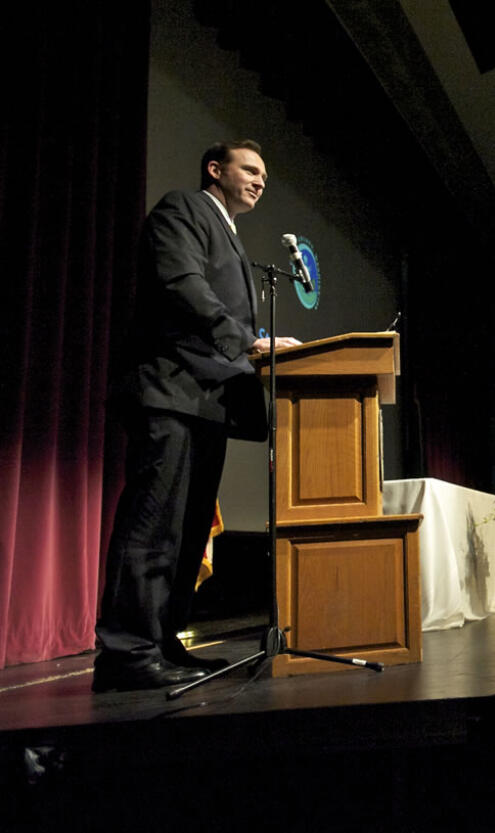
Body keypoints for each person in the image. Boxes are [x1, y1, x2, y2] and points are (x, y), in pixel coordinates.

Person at [93, 140, 300, 692]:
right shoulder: (183, 208)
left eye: (264, 174)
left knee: (186, 534)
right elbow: (180, 284)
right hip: (170, 391)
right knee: (154, 525)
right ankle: (125, 652)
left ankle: (161, 641)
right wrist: (250, 342)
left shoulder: (231, 234)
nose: (260, 181)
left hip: (209, 403)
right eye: (250, 169)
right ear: (216, 169)